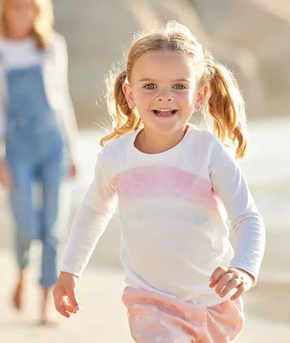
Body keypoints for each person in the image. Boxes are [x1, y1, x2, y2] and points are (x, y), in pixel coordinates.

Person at [52, 21, 266, 342]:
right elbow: (93, 212)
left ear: (200, 95)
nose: (164, 97)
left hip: (213, 301)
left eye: (179, 86)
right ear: (130, 93)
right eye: (150, 86)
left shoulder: (208, 153)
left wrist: (244, 268)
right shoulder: (116, 157)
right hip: (150, 300)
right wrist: (70, 269)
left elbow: (247, 217)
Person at [0, 0, 79, 325]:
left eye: (31, 7)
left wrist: (74, 152)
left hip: (53, 143)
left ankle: (44, 304)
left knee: (52, 226)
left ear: (39, 11)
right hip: (16, 146)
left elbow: (62, 100)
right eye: (17, 7)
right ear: (5, 10)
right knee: (25, 223)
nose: (23, 13)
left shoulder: (51, 46)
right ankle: (21, 272)